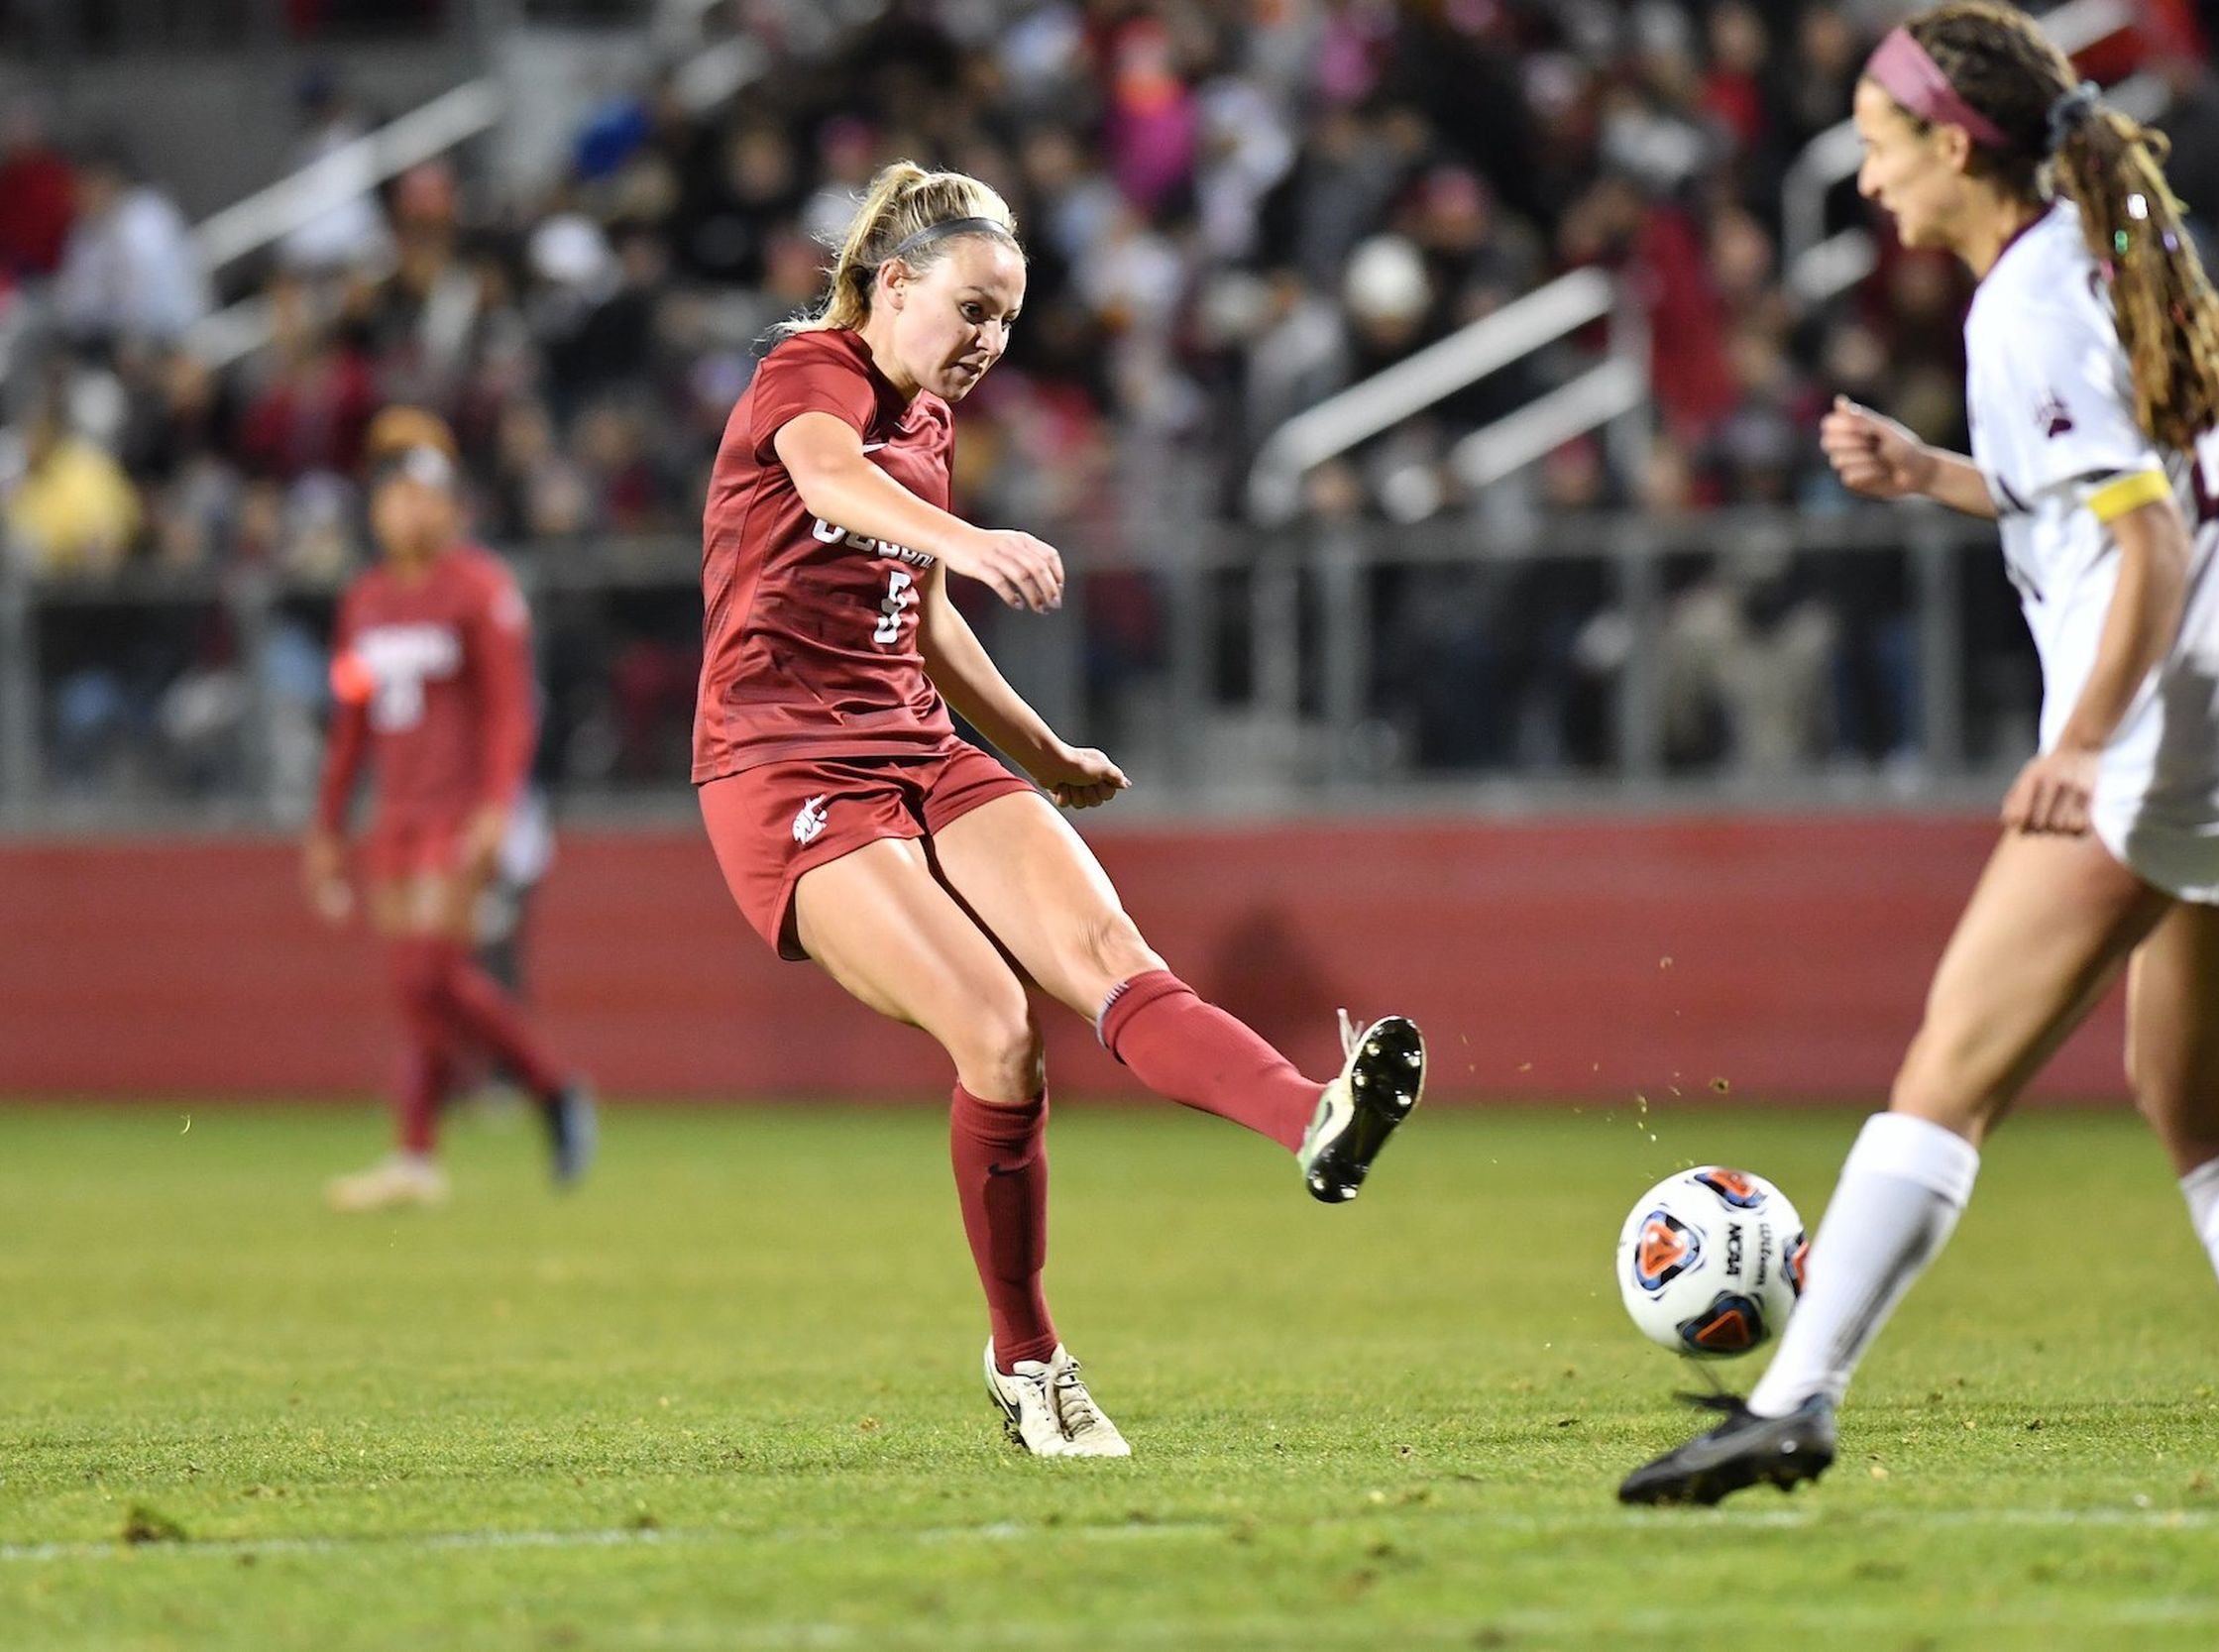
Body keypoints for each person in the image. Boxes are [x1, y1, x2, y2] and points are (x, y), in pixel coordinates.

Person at [1620, 3, 2219, 1506]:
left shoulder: (2026, 298)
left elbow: (2146, 546)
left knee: (1941, 1078)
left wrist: (2084, 745)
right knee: (2197, 1096)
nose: (1867, 179)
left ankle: (1793, 1401)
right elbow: (2113, 494)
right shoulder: (2117, 253)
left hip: (2166, 744)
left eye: (1883, 145)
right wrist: (1936, 475)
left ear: (1957, 144)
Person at [695, 161, 1425, 1459]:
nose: (988, 342)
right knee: (998, 1030)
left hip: (915, 742)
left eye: (1009, 321)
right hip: (785, 765)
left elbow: (912, 613)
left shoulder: (923, 417)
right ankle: (1026, 1356)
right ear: (892, 284)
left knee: (1109, 961)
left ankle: (1313, 1116)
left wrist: (1042, 748)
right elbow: (823, 483)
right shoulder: (812, 372)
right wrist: (966, 539)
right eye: (972, 309)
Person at [304, 407, 597, 1211]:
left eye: (421, 496)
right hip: (395, 813)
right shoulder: (364, 601)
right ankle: (429, 1148)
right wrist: (329, 824)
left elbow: (510, 711)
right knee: (418, 986)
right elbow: (352, 720)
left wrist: (500, 803)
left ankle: (539, 1088)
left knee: (428, 970)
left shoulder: (480, 589)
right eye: (394, 497)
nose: (408, 512)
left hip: (461, 807)